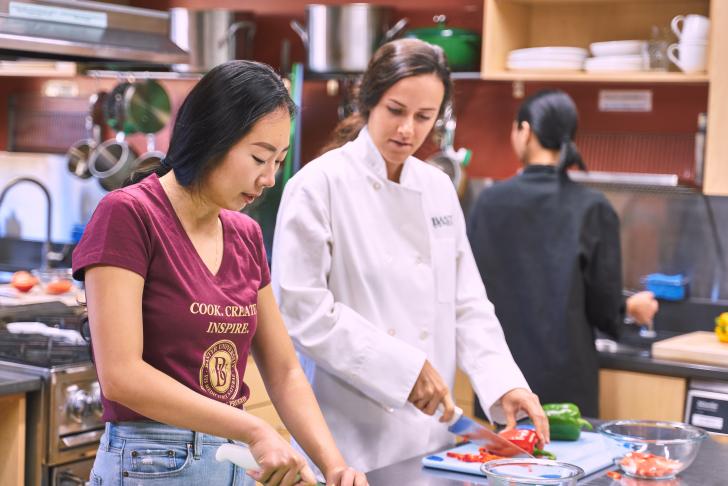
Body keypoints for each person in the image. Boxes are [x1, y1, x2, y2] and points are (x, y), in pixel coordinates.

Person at [72, 60, 367, 486]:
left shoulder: (245, 235)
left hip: (233, 462)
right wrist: (251, 428)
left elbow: (284, 371)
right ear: (212, 137)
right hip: (150, 463)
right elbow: (120, 376)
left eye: (279, 161)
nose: (268, 178)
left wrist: (334, 466)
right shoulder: (128, 214)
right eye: (259, 158)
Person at [270, 38, 549, 474]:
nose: (408, 131)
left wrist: (503, 384)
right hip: (346, 443)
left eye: (424, 117)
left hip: (431, 442)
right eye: (396, 111)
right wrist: (401, 368)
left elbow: (467, 304)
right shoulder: (317, 185)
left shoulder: (437, 188)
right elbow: (303, 313)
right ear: (368, 102)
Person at [467, 89, 659, 418]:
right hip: (566, 387)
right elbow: (603, 307)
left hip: (500, 380)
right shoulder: (591, 207)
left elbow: (469, 294)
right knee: (571, 468)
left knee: (498, 466)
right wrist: (629, 307)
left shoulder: (488, 202)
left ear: (524, 132)